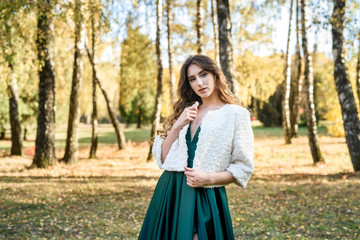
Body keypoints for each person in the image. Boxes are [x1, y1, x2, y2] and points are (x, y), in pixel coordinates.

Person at [138, 55, 254, 240]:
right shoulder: (186, 111)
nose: (199, 83)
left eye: (203, 74)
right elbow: (163, 159)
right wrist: (177, 125)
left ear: (215, 75)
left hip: (206, 194)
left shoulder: (236, 115)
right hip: (171, 190)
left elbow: (243, 168)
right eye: (192, 79)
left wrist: (208, 178)